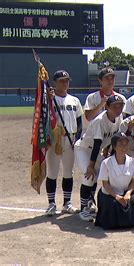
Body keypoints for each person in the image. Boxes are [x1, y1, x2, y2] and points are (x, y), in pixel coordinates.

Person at [75, 95, 124, 221]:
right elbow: (97, 143)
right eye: (114, 106)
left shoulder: (119, 118)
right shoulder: (99, 120)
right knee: (89, 176)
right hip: (84, 149)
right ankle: (83, 209)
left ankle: (90, 202)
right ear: (107, 107)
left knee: (99, 175)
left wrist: (108, 152)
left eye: (120, 106)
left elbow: (112, 139)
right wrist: (91, 166)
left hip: (97, 151)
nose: (118, 108)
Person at [44, 70, 83, 216]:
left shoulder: (74, 100)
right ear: (55, 83)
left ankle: (67, 203)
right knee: (52, 172)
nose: (65, 83)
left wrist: (77, 137)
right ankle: (51, 204)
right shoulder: (49, 99)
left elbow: (79, 121)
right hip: (54, 140)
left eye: (66, 80)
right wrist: (48, 100)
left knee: (68, 172)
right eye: (61, 80)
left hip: (70, 138)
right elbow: (43, 117)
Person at [95, 132, 134, 229]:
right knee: (113, 205)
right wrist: (117, 197)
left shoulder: (133, 162)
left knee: (133, 201)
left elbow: (133, 182)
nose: (123, 147)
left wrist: (128, 194)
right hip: (110, 194)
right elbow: (105, 184)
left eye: (125, 144)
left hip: (125, 192)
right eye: (120, 144)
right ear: (114, 146)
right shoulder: (106, 163)